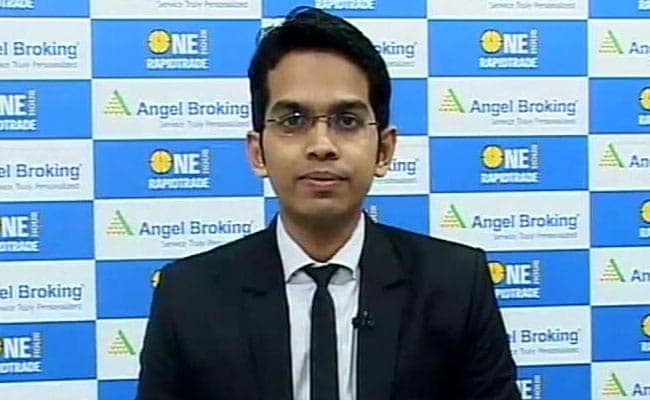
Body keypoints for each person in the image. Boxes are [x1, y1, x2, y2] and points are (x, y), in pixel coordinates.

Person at [136, 6, 521, 400]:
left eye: (347, 121)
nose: (321, 145)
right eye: (293, 120)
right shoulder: (188, 297)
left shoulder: (456, 285)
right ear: (258, 152)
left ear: (384, 150)